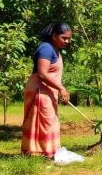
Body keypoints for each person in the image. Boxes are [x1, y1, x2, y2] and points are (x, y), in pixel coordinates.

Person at [21, 22, 72, 158]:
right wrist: (61, 88)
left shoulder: (54, 49)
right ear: (54, 36)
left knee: (50, 122)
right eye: (64, 38)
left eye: (69, 38)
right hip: (40, 91)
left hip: (48, 91)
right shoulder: (46, 49)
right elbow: (42, 73)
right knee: (45, 122)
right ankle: (40, 152)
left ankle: (47, 152)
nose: (67, 41)